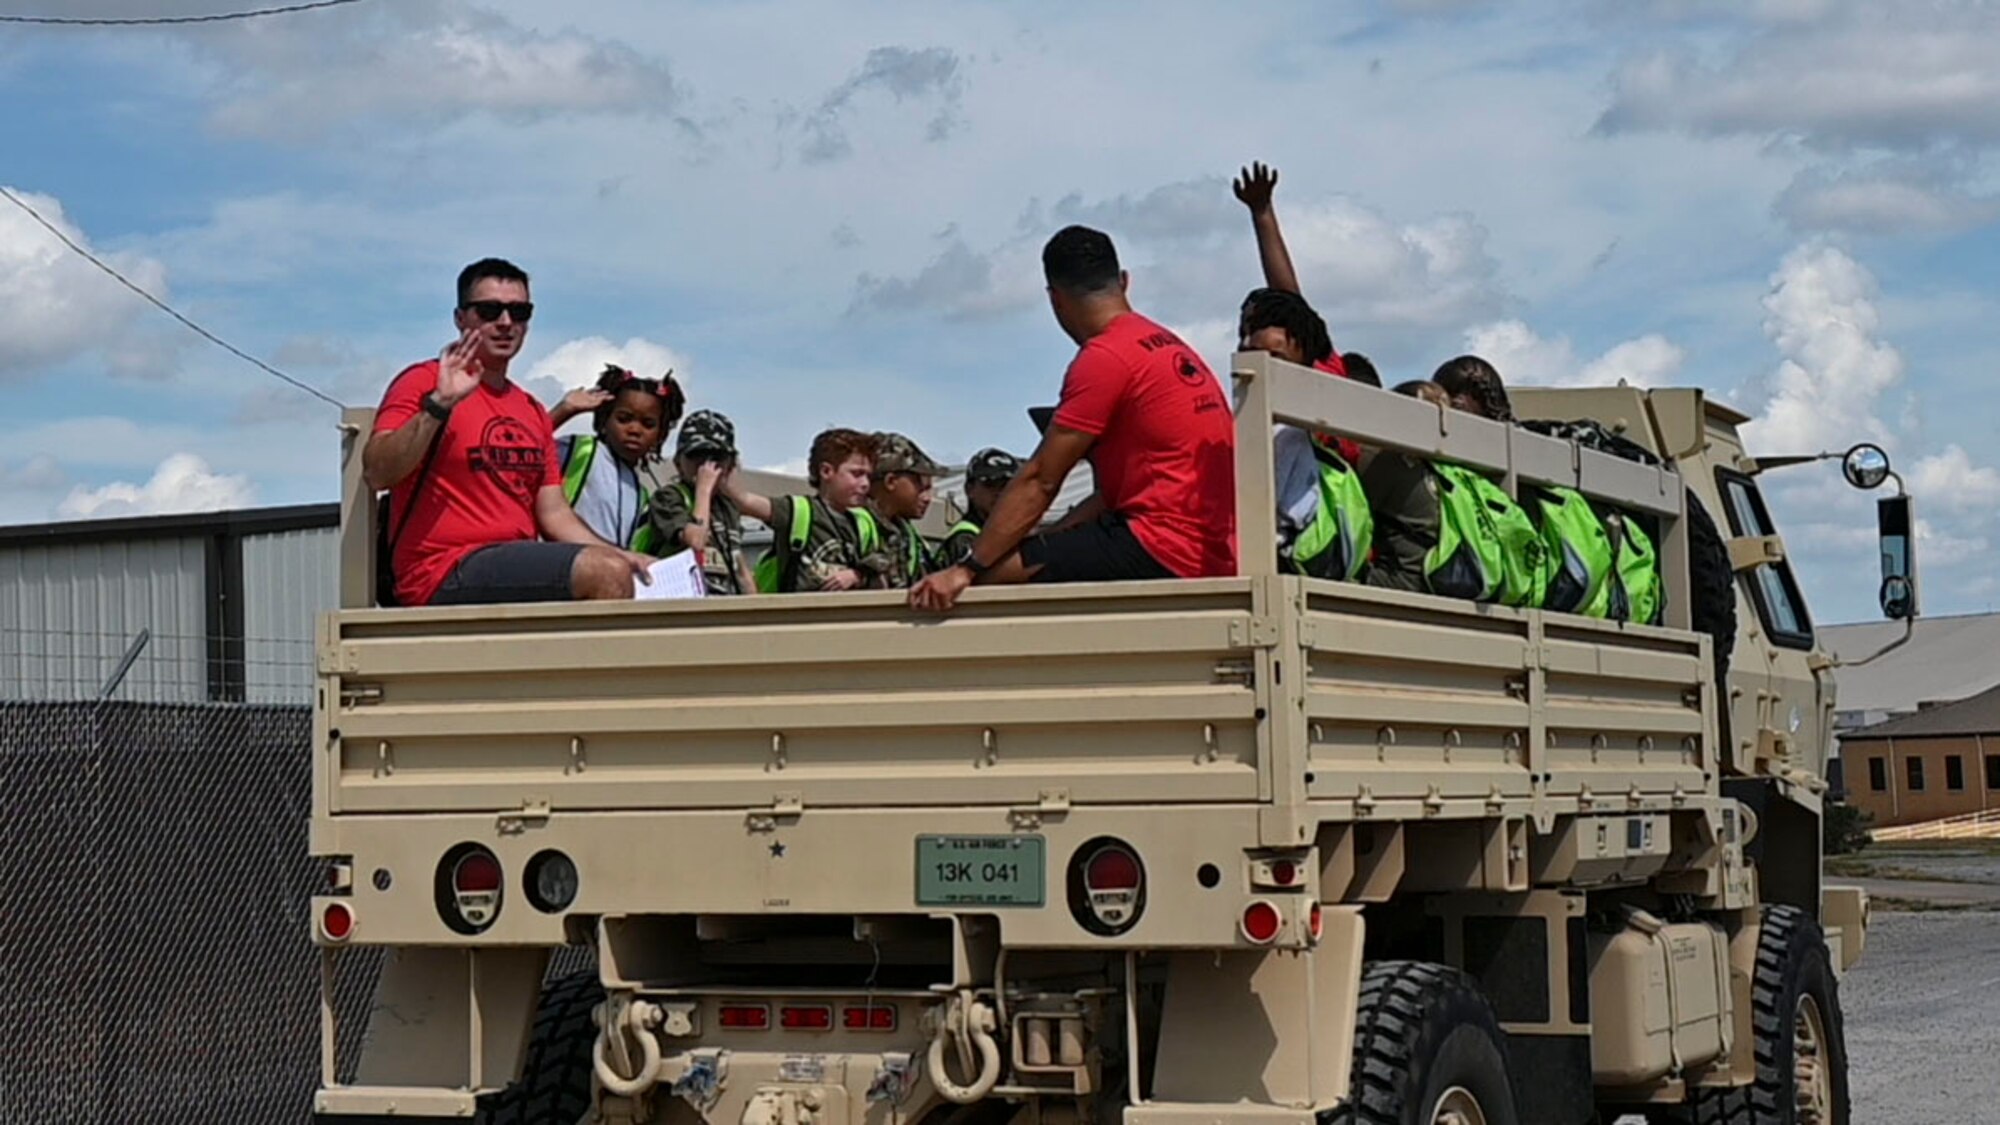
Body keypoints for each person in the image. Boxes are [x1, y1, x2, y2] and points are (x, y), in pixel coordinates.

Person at [909, 226, 1236, 612]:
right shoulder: (1167, 345)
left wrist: (966, 569)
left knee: (987, 579)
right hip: (1219, 547)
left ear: (1055, 299)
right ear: (1124, 281)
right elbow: (1116, 497)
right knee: (1041, 549)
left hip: (1162, 545)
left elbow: (1042, 478)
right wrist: (1050, 533)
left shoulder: (1104, 357)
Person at [364, 258, 651, 607]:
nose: (505, 323)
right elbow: (377, 472)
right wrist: (439, 404)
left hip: (511, 563)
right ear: (460, 318)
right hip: (440, 569)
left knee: (629, 572)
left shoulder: (529, 409)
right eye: (489, 310)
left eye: (519, 312)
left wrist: (623, 555)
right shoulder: (424, 382)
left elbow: (554, 513)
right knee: (604, 573)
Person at [725, 427, 893, 593]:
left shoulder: (863, 522)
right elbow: (743, 500)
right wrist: (725, 461)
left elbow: (883, 565)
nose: (865, 484)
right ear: (826, 471)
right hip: (801, 616)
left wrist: (857, 574)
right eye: (857, 474)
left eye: (868, 476)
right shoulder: (798, 510)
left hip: (847, 616)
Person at [1231, 161, 1350, 379]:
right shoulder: (1249, 392)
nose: (1247, 341)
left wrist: (1262, 212)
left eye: (1274, 355)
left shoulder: (1323, 371)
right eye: (1243, 335)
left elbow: (1289, 297)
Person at [554, 364, 685, 553]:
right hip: (563, 569)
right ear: (604, 421)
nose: (634, 430)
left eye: (648, 424)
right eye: (624, 419)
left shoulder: (641, 494)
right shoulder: (579, 450)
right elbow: (526, 445)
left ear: (661, 435)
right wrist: (564, 410)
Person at [650, 409, 755, 596]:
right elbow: (696, 542)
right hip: (681, 605)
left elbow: (740, 567)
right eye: (697, 455)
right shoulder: (668, 498)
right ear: (678, 463)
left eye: (716, 457)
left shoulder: (728, 507)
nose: (706, 466)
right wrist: (703, 490)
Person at [867, 433, 946, 588]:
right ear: (890, 481)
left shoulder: (907, 534)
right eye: (921, 485)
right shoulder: (851, 526)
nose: (927, 497)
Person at [940, 448, 1022, 567]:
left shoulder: (1005, 534)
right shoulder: (965, 538)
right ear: (969, 489)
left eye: (1007, 486)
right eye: (991, 484)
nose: (999, 493)